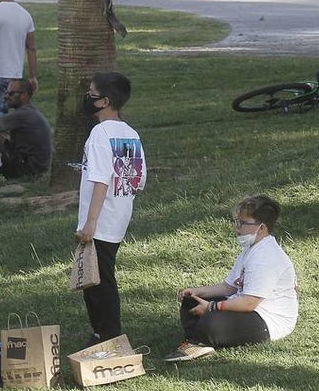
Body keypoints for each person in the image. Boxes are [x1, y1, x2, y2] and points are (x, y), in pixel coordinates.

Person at [164, 194, 298, 363]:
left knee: (212, 322)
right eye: (238, 221)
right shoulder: (251, 249)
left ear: (262, 228)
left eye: (243, 223)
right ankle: (197, 341)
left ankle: (202, 338)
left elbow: (249, 303)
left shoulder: (266, 257)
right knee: (192, 301)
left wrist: (212, 307)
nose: (237, 227)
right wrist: (197, 292)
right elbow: (228, 287)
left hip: (267, 320)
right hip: (246, 308)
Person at [75, 72, 147, 344]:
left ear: (104, 101)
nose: (87, 97)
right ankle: (103, 331)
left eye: (91, 93)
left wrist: (90, 222)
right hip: (119, 216)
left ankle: (108, 334)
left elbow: (100, 179)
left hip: (100, 220)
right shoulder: (131, 133)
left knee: (98, 281)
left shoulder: (99, 133)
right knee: (100, 275)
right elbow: (138, 180)